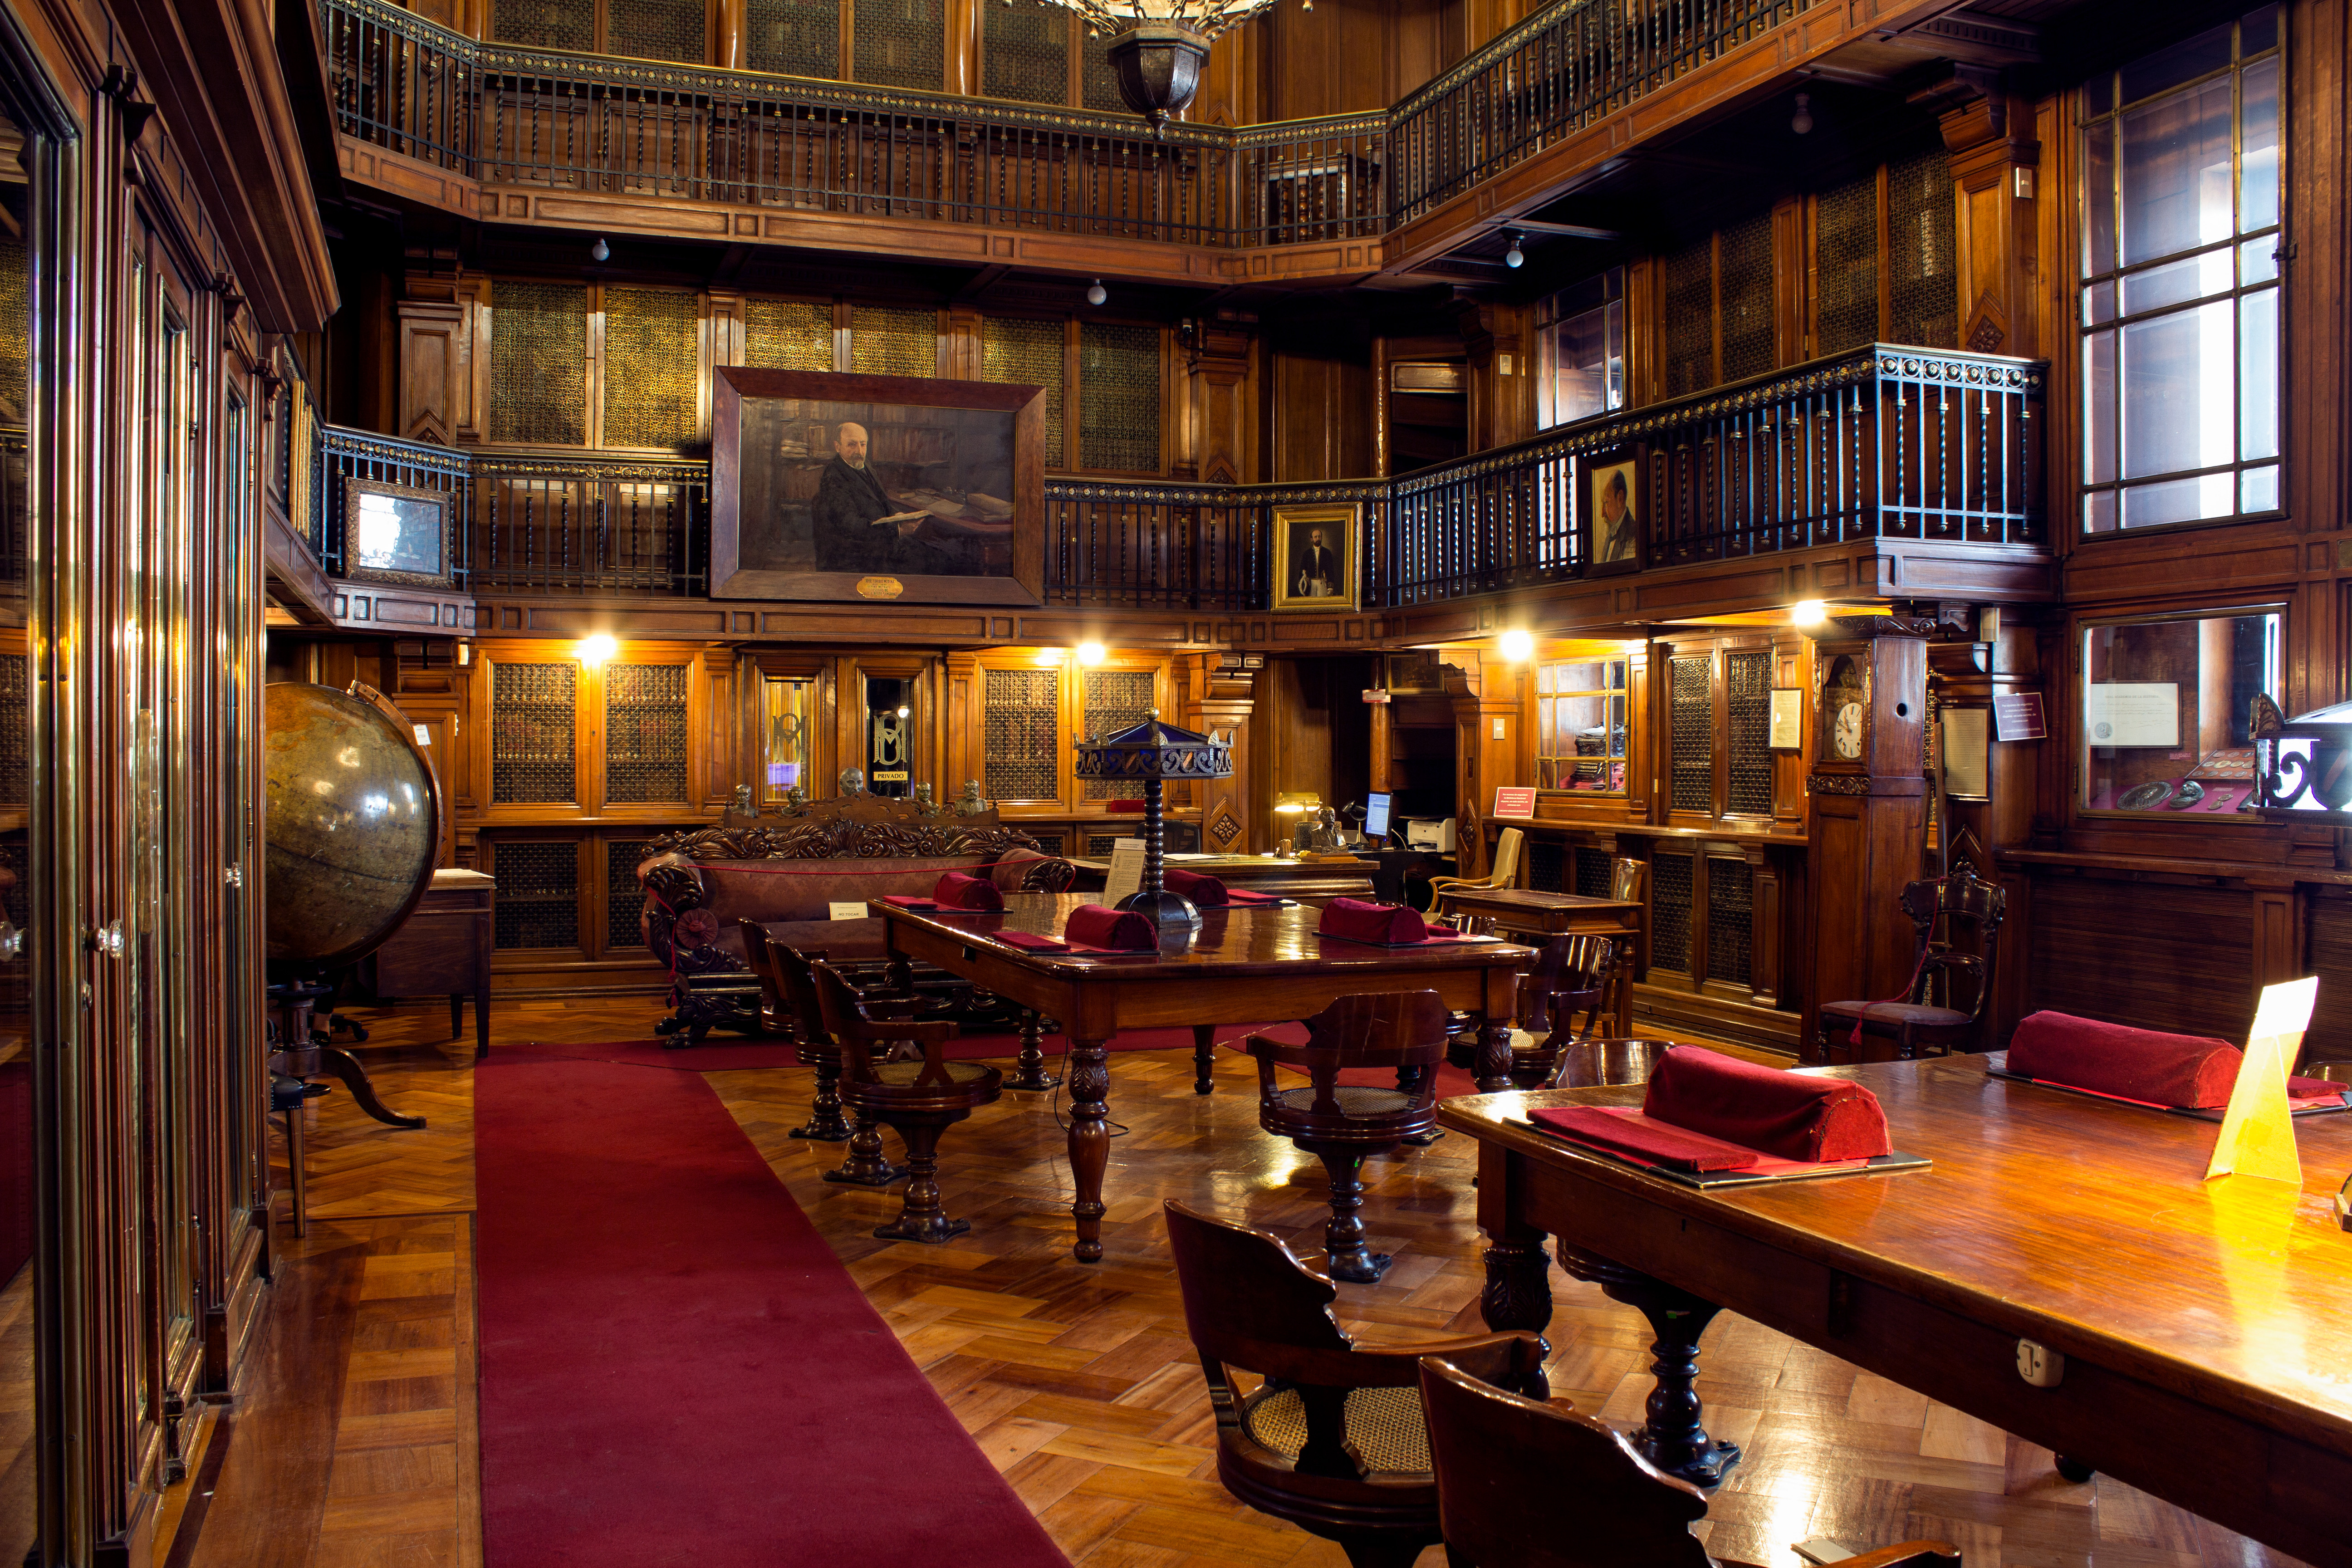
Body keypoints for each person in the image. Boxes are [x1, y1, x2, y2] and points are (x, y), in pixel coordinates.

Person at [810, 421, 968, 574]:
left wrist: (898, 516)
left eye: (863, 444)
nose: (859, 451)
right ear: (838, 447)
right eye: (852, 445)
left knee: (946, 554)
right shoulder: (833, 477)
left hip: (880, 542)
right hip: (857, 555)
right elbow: (852, 527)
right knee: (939, 561)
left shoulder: (866, 466)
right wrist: (898, 530)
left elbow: (882, 502)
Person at [1594, 466, 1639, 564]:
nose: (1603, 513)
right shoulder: (1610, 537)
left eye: (1606, 503)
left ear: (1620, 498)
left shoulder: (1634, 536)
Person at [1294, 525, 1339, 597]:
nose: (1318, 539)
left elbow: (1330, 570)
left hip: (1322, 583)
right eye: (1316, 537)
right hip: (1310, 585)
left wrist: (1330, 587)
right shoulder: (1307, 554)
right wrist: (1304, 580)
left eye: (1319, 537)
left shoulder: (1327, 552)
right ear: (1312, 539)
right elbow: (1302, 570)